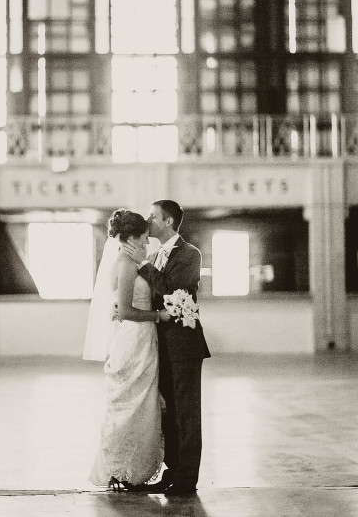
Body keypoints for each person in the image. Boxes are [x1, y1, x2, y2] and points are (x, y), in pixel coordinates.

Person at [122, 199, 211, 496]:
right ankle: (172, 472)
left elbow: (172, 287)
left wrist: (144, 265)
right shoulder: (157, 253)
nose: (148, 221)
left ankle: (188, 479)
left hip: (184, 346)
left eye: (153, 216)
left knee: (187, 413)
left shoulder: (189, 254)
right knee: (168, 413)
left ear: (169, 221)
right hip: (160, 344)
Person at [84, 208, 171, 490]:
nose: (147, 243)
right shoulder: (125, 264)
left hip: (142, 337)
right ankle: (119, 468)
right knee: (130, 403)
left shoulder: (132, 261)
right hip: (134, 337)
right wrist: (159, 317)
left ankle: (130, 469)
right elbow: (125, 311)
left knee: (141, 403)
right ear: (131, 238)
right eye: (144, 238)